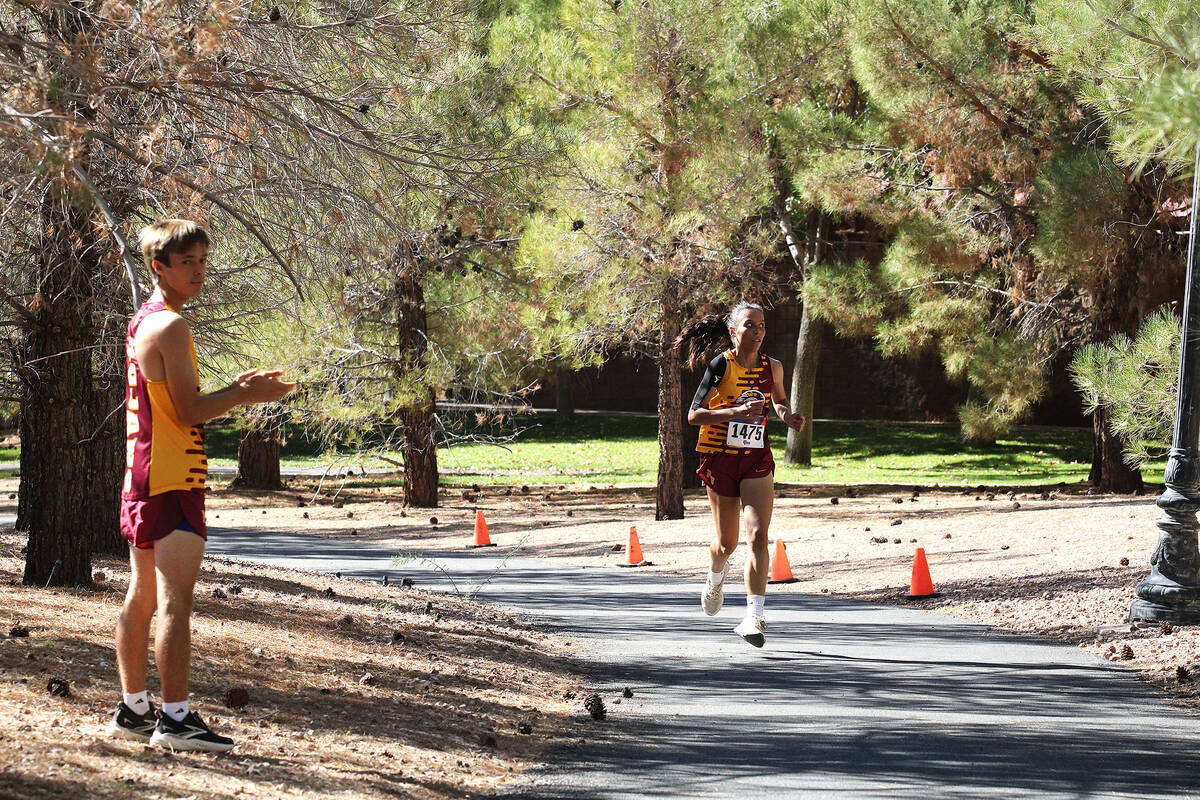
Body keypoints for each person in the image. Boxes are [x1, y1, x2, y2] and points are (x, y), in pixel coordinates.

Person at [108, 219, 294, 752]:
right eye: (186, 261)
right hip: (170, 479)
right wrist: (245, 397)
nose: (198, 271)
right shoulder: (171, 327)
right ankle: (176, 719)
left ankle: (133, 709)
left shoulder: (143, 321)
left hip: (143, 473)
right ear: (157, 266)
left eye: (203, 261)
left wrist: (235, 388)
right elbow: (189, 411)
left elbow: (171, 405)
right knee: (174, 602)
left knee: (142, 595)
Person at [678, 302, 806, 647]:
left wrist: (788, 416)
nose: (758, 331)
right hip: (720, 458)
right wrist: (735, 410)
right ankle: (715, 577)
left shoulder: (773, 367)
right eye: (750, 325)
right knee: (726, 544)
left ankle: (754, 617)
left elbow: (777, 401)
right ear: (734, 331)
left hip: (756, 458)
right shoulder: (721, 365)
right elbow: (694, 415)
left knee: (759, 534)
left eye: (762, 325)